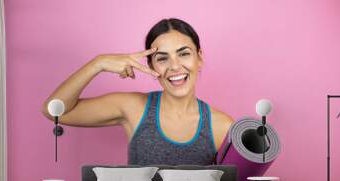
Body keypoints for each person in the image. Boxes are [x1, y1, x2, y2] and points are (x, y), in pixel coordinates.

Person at [41, 18, 234, 165]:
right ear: (151, 66)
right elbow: (54, 111)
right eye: (162, 58)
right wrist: (97, 63)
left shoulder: (222, 126)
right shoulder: (134, 108)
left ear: (199, 58)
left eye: (184, 54)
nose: (175, 66)